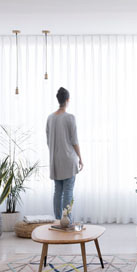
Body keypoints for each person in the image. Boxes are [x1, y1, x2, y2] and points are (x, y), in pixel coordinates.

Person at [45, 87, 83, 220]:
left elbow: (48, 141)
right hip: (68, 160)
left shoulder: (50, 118)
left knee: (58, 191)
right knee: (68, 192)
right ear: (67, 100)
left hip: (55, 161)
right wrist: (80, 158)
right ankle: (67, 221)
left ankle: (58, 220)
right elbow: (74, 140)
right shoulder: (70, 118)